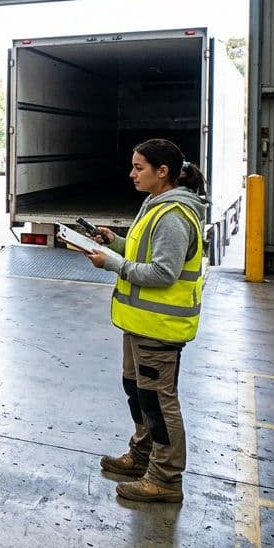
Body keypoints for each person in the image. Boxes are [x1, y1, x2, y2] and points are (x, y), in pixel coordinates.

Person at [83, 138, 206, 504]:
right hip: (139, 323)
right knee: (137, 393)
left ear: (162, 172)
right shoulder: (154, 205)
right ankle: (142, 457)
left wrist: (113, 264)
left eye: (139, 167)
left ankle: (165, 478)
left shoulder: (173, 215)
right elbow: (143, 253)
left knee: (157, 401)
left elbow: (163, 273)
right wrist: (115, 242)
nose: (132, 173)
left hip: (159, 328)